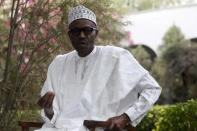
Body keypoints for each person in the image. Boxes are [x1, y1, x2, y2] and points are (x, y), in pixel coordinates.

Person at [36, 5, 161, 131]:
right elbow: (52, 117)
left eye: (88, 30)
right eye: (76, 31)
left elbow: (152, 89)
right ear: (69, 35)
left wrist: (126, 117)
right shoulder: (58, 64)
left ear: (96, 33)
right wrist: (48, 109)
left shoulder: (115, 57)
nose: (82, 35)